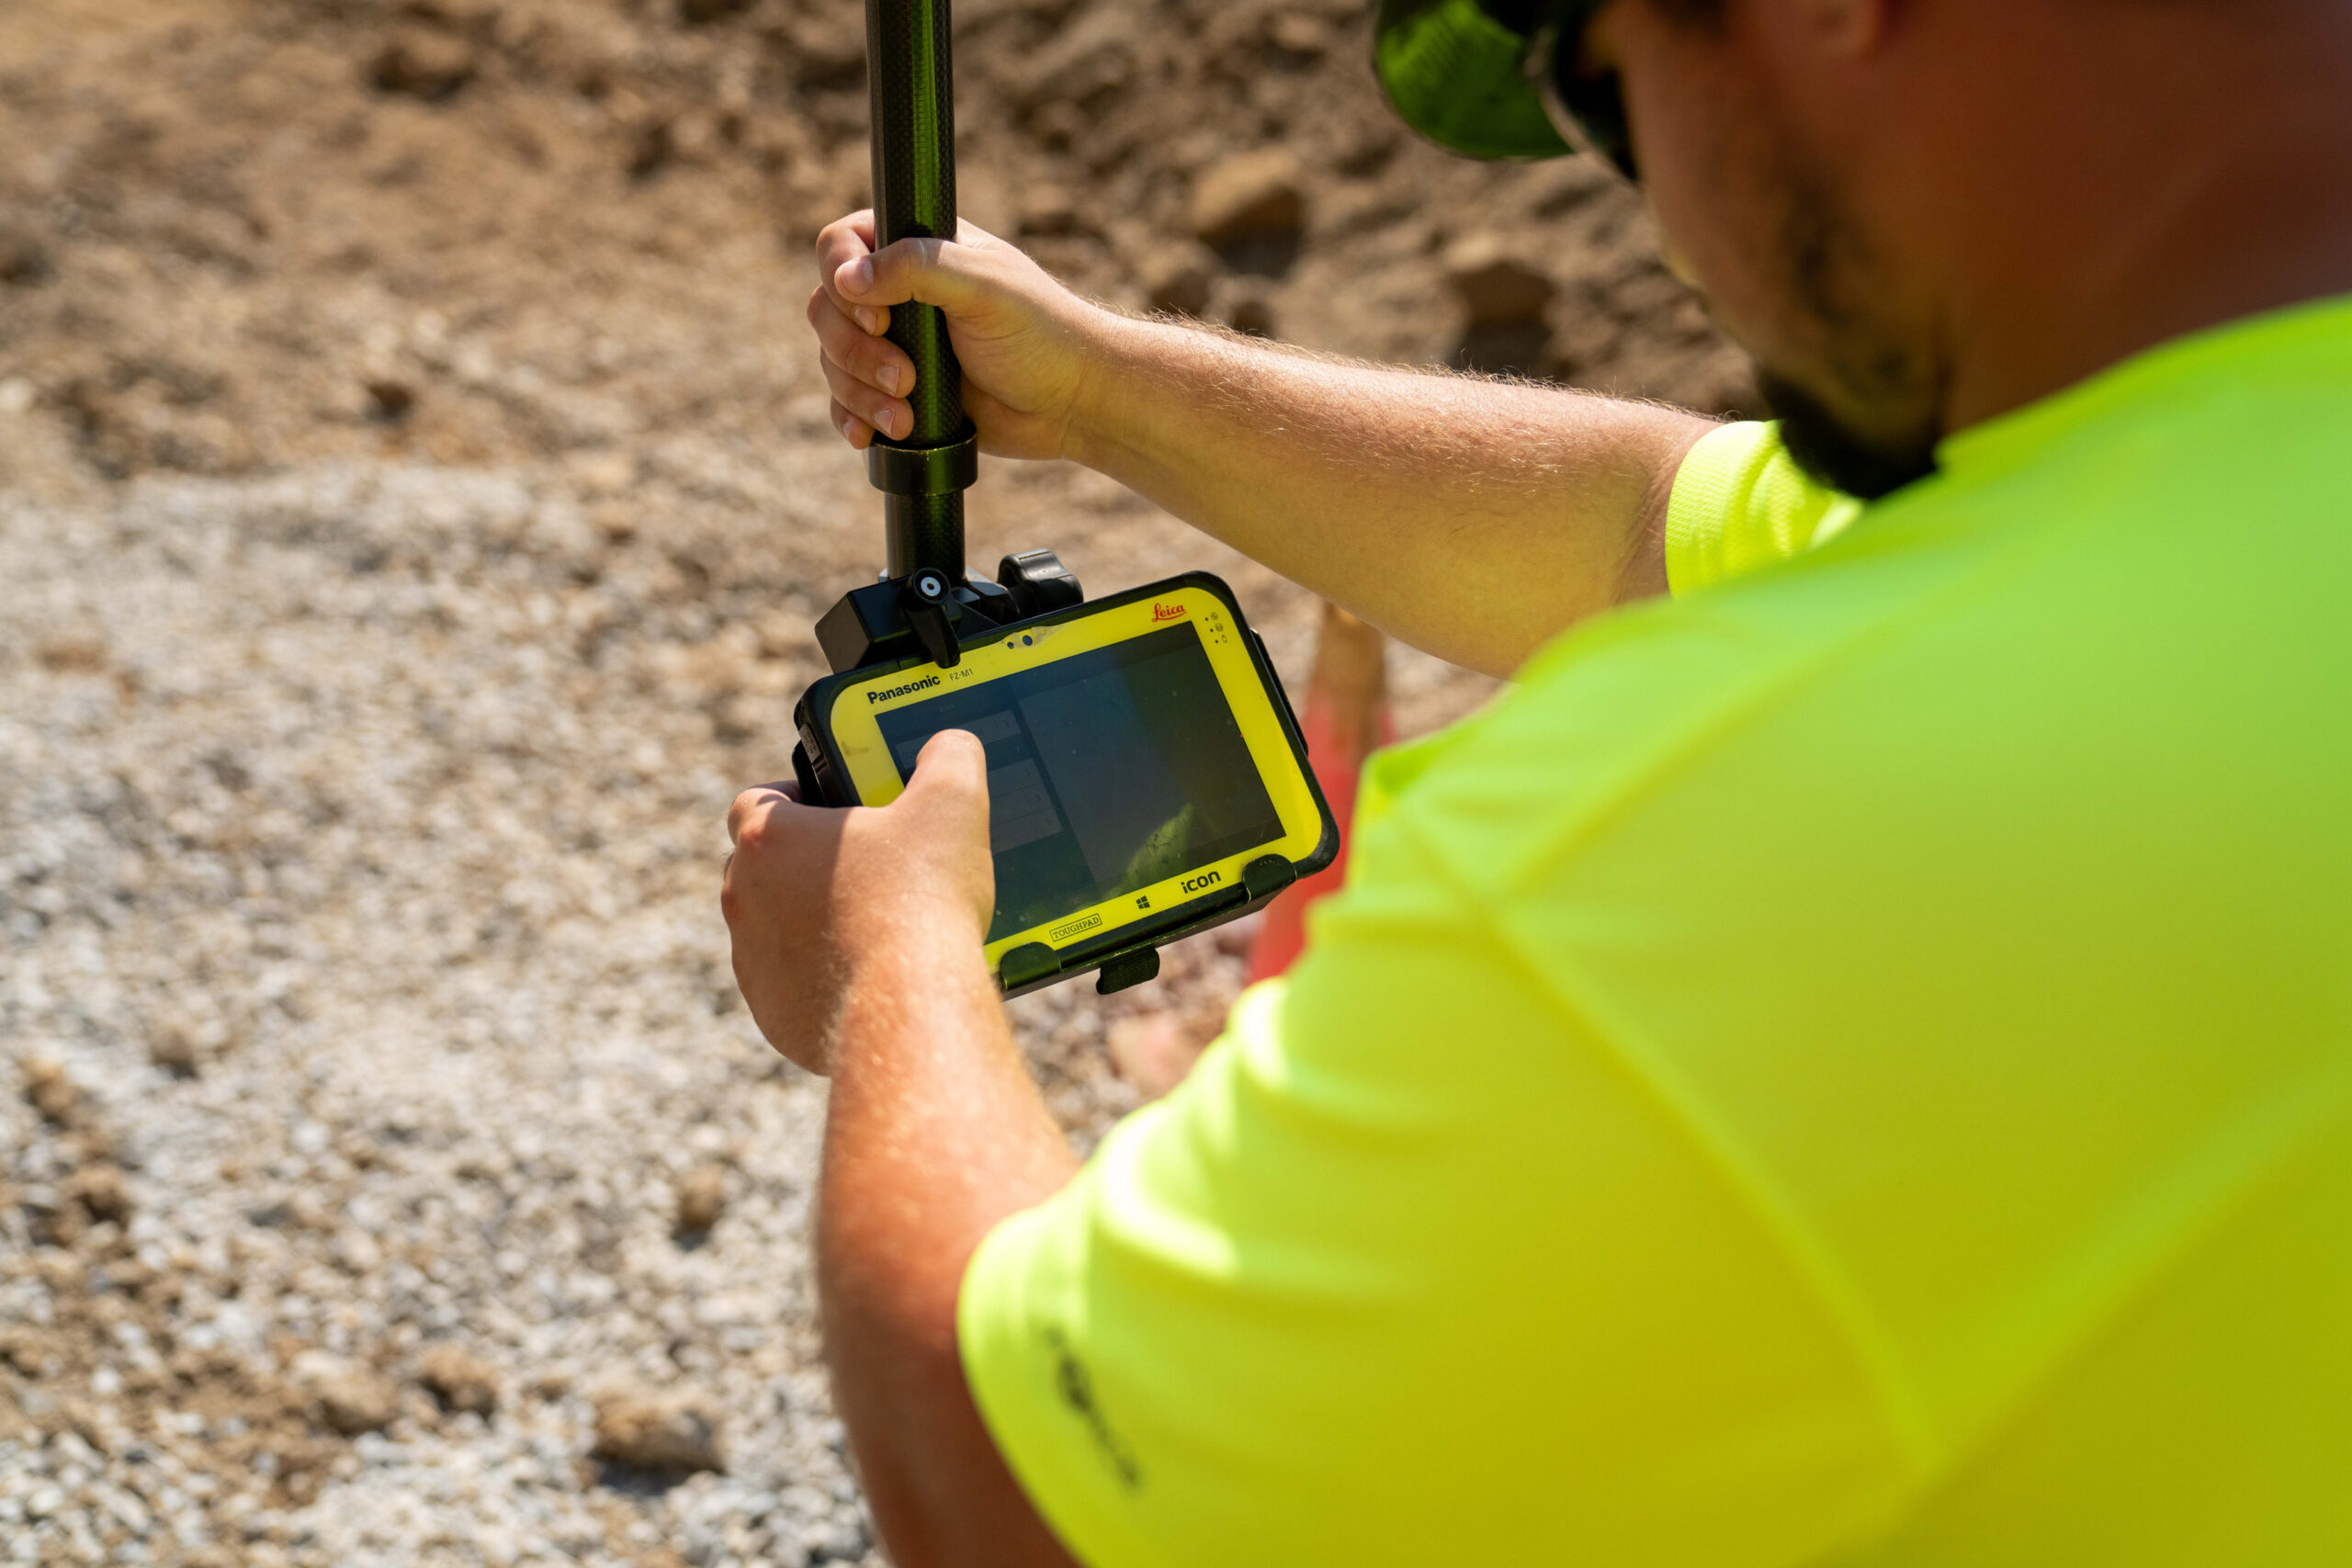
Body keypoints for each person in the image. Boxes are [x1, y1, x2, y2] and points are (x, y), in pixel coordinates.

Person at [720, 0, 2352, 1562]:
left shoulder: (1731, 828)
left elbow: (1018, 1499)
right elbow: (1647, 528)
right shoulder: (2181, 489)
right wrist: (1096, 387)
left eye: (1601, 90)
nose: (1661, 230)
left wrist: (894, 968)